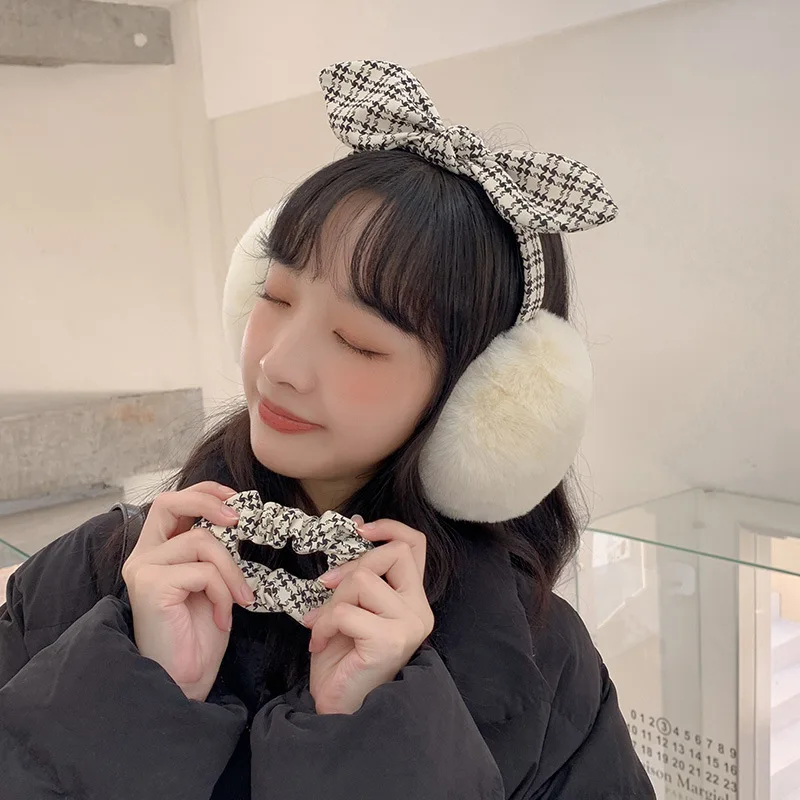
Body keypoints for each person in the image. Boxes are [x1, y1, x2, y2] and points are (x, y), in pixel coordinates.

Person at [0, 61, 655, 799]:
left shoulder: (544, 671)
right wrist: (136, 696)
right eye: (276, 297)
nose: (277, 365)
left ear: (483, 402)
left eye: (359, 342)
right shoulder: (92, 574)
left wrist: (375, 743)